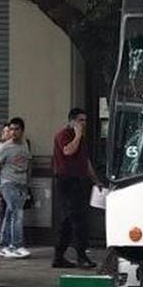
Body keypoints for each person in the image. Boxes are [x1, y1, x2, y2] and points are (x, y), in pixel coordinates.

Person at [52, 108, 100, 269]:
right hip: (67, 180)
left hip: (79, 180)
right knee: (77, 219)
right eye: (80, 120)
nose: (83, 124)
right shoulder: (63, 135)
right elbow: (68, 151)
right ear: (72, 121)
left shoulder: (82, 139)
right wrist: (77, 135)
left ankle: (59, 256)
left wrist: (95, 180)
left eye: (85, 121)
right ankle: (81, 256)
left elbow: (85, 161)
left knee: (69, 219)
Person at [0, 117, 32, 259]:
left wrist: (28, 183)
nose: (13, 132)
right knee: (17, 213)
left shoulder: (25, 144)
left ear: (22, 130)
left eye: (16, 129)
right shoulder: (4, 147)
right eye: (11, 129)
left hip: (21, 183)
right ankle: (16, 245)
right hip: (8, 183)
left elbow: (29, 163)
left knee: (9, 215)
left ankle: (4, 245)